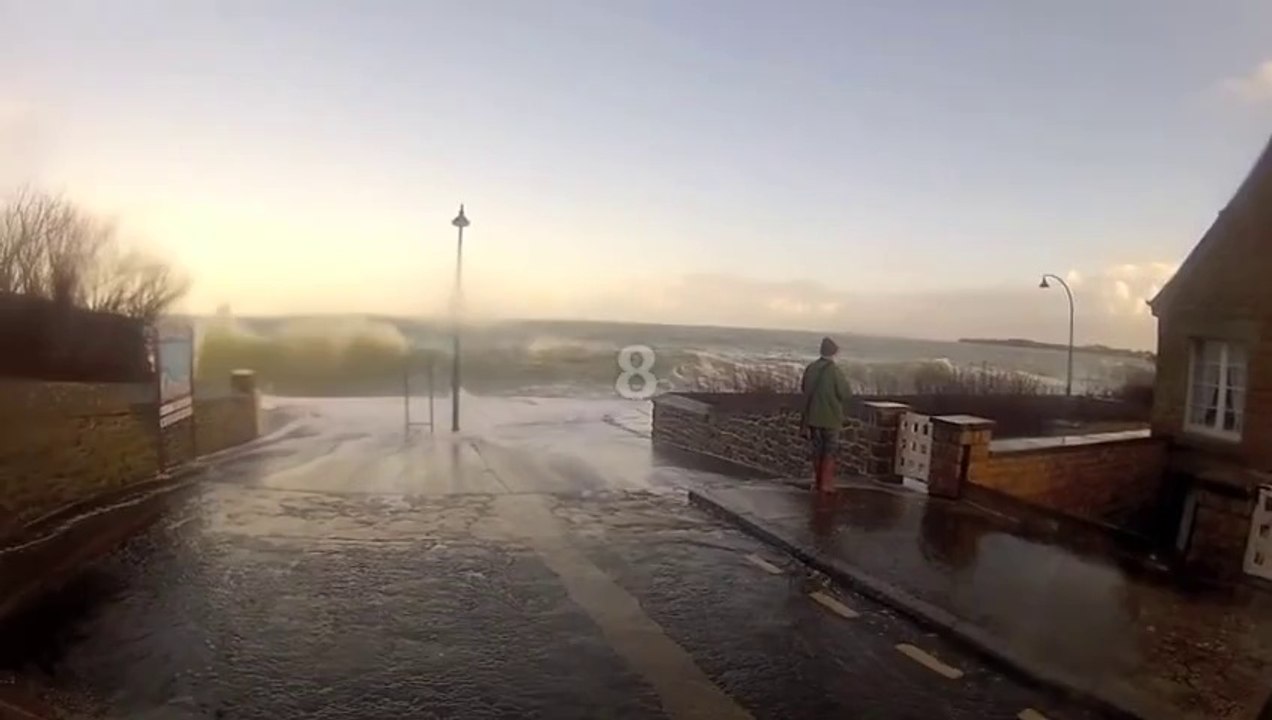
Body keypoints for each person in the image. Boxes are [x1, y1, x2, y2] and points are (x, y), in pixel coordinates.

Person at [800, 336, 852, 493]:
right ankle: (826, 484)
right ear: (834, 353)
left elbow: (804, 389)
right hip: (831, 418)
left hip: (813, 417)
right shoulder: (835, 371)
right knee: (829, 451)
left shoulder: (811, 368)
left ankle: (817, 482)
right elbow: (845, 394)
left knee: (817, 450)